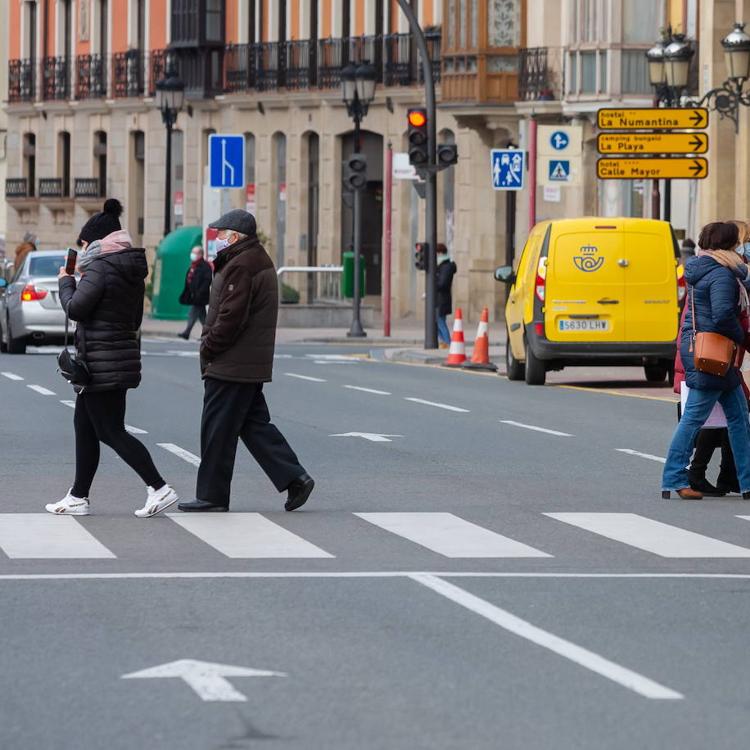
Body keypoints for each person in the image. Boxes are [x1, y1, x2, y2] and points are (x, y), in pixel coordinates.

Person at [46, 198, 179, 517]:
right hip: (115, 358)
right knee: (85, 425)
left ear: (96, 242)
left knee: (110, 430)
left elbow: (76, 307)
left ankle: (159, 487)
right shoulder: (129, 269)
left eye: (84, 243)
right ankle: (78, 495)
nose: (82, 248)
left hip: (102, 362)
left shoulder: (102, 268)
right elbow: (133, 319)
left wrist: (66, 280)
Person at [177, 209, 314, 513]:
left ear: (235, 237)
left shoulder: (241, 264)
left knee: (216, 431)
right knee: (254, 426)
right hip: (244, 361)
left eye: (221, 234)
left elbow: (231, 317)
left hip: (232, 362)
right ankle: (295, 478)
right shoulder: (250, 259)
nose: (217, 239)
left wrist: (208, 347)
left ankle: (211, 496)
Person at [662, 221, 750, 500]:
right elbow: (724, 314)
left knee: (739, 419)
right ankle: (673, 478)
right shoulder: (722, 275)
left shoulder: (707, 268)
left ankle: (747, 482)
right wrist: (741, 338)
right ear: (729, 245)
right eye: (737, 243)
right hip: (714, 355)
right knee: (693, 420)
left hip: (708, 352)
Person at [178, 245, 212, 340]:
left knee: (192, 314)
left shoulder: (205, 266)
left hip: (200, 296)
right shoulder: (193, 266)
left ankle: (187, 332)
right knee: (202, 317)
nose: (192, 255)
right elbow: (189, 280)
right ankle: (208, 334)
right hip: (195, 296)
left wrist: (200, 292)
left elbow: (207, 280)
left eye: (195, 253)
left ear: (200, 254)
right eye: (192, 252)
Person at [436, 243, 457, 349]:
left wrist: (433, 284)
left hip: (442, 299)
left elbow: (443, 283)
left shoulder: (446, 266)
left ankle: (448, 343)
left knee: (440, 322)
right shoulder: (441, 265)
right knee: (436, 322)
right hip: (438, 298)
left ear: (440, 253)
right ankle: (444, 342)